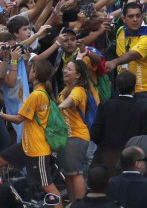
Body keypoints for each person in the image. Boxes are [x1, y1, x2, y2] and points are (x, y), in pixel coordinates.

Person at [0, 58, 61, 199]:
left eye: (31, 69)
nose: (29, 71)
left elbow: (19, 119)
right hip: (27, 145)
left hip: (37, 149)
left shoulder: (36, 95)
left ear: (35, 73)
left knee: (48, 187)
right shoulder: (43, 92)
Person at [105, 1, 147, 111]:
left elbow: (133, 54)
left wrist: (114, 62)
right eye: (131, 16)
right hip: (124, 92)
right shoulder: (120, 31)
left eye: (138, 16)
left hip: (146, 93)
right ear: (124, 19)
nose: (135, 19)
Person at [90, 72, 147, 175]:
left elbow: (95, 133)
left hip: (106, 158)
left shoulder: (105, 106)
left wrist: (104, 145)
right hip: (132, 161)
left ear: (117, 87)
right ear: (134, 87)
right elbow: (145, 135)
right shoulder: (143, 109)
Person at [56, 59, 95, 201]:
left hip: (76, 136)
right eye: (65, 68)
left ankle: (80, 204)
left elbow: (71, 101)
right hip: (67, 137)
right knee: (68, 173)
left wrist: (58, 108)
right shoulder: (66, 89)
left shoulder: (78, 90)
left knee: (76, 173)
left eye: (69, 69)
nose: (65, 71)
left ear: (78, 75)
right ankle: (73, 203)